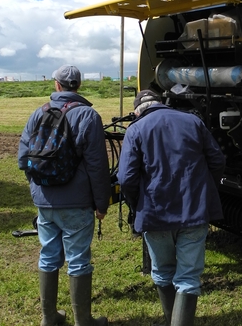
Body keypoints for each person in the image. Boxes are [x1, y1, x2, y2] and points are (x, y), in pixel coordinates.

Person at [118, 90, 226, 326]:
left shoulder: (135, 129)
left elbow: (126, 178)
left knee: (163, 272)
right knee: (188, 278)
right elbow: (217, 161)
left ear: (138, 111)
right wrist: (203, 189)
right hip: (194, 211)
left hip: (154, 214)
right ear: (160, 103)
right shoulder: (193, 122)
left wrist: (138, 203)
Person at [18, 65, 111, 326]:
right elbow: (97, 165)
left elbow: (23, 159)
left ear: (56, 85)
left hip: (44, 201)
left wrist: (37, 188)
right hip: (78, 203)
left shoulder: (38, 113)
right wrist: (101, 203)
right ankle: (84, 321)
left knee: (48, 255)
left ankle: (49, 318)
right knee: (78, 260)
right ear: (78, 86)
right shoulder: (89, 116)